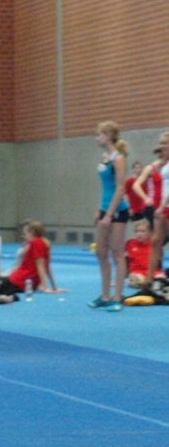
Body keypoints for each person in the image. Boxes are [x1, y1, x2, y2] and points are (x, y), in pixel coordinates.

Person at [89, 120, 129, 312]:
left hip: (118, 210)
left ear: (109, 136)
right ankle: (105, 295)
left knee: (117, 252)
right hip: (105, 208)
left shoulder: (118, 158)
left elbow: (120, 188)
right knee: (101, 252)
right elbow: (105, 187)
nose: (97, 138)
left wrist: (110, 214)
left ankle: (117, 297)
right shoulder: (104, 157)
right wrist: (100, 210)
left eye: (100, 135)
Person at [137, 131, 169, 285]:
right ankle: (149, 280)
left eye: (165, 143)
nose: (162, 145)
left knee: (157, 240)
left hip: (165, 206)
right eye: (161, 143)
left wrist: (162, 205)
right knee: (156, 241)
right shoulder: (163, 165)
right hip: (164, 207)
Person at [124, 217, 157, 289]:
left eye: (142, 231)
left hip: (153, 272)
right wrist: (123, 276)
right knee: (135, 280)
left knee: (161, 279)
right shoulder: (129, 243)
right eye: (137, 231)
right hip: (137, 273)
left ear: (149, 233)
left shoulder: (154, 244)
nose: (139, 234)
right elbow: (123, 260)